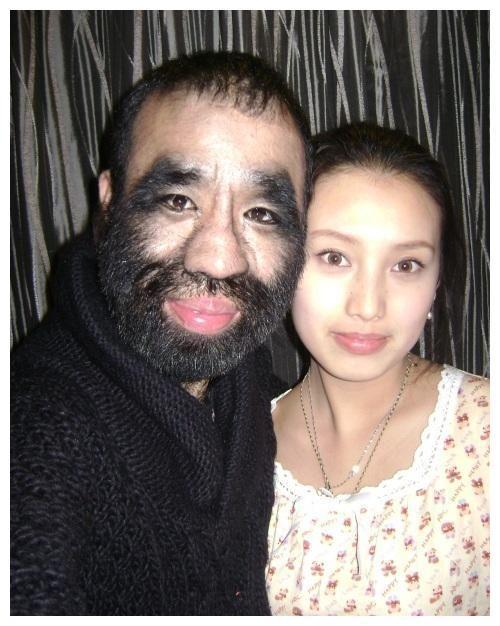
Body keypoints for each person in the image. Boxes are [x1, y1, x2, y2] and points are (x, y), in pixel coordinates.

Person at [10, 51, 311, 615]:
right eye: (178, 200)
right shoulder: (35, 434)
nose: (219, 258)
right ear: (108, 204)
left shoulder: (264, 399)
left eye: (262, 214)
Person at [266, 122, 489, 616]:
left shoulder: (484, 431)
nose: (368, 306)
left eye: (406, 265)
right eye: (334, 257)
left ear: (436, 282)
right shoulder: (237, 445)